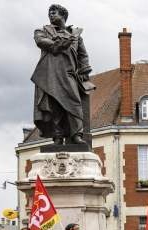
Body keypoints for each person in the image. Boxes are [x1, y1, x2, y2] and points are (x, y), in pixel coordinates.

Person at [31, 4, 93, 145]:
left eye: (54, 13)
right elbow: (41, 41)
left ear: (63, 16)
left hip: (68, 73)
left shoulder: (75, 35)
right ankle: (58, 137)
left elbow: (83, 56)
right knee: (55, 106)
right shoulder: (43, 30)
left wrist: (84, 71)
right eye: (50, 13)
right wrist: (61, 45)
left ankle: (76, 135)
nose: (51, 15)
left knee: (74, 103)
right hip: (50, 74)